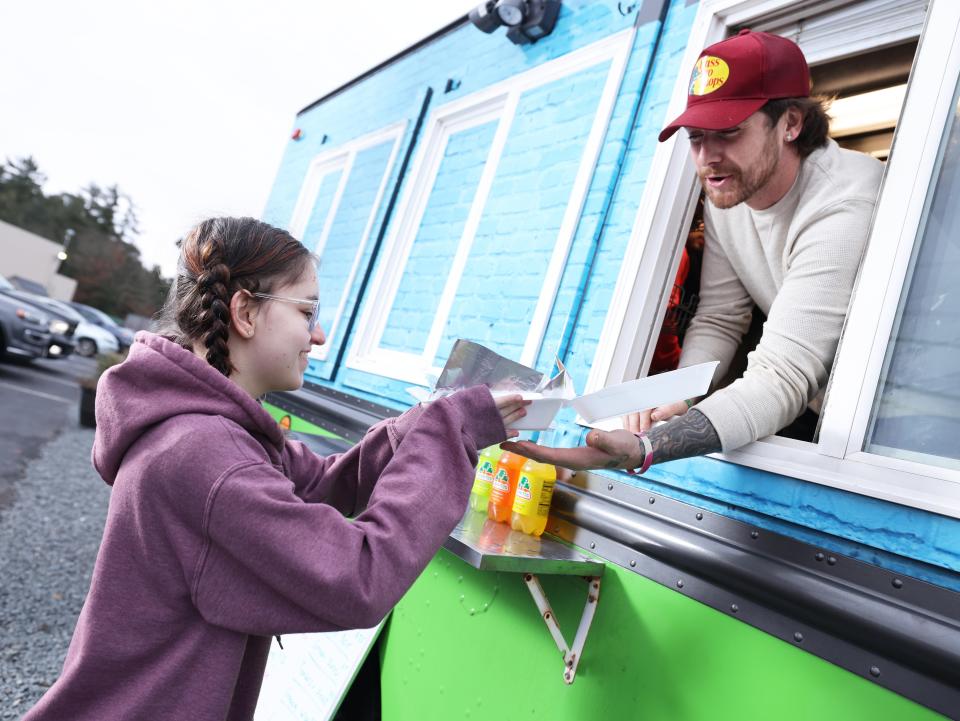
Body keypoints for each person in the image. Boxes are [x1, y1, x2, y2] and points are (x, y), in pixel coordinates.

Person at [23, 217, 529, 721]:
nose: (320, 335)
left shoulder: (204, 429)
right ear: (244, 311)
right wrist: (448, 432)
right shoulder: (206, 454)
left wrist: (432, 422)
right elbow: (357, 576)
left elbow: (320, 483)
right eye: (307, 312)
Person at [503, 29, 883, 473]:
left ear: (791, 124)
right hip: (823, 402)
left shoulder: (843, 202)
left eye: (728, 132)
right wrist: (679, 394)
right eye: (696, 137)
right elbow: (721, 315)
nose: (707, 157)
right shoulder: (731, 192)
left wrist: (649, 446)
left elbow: (785, 374)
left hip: (895, 425)